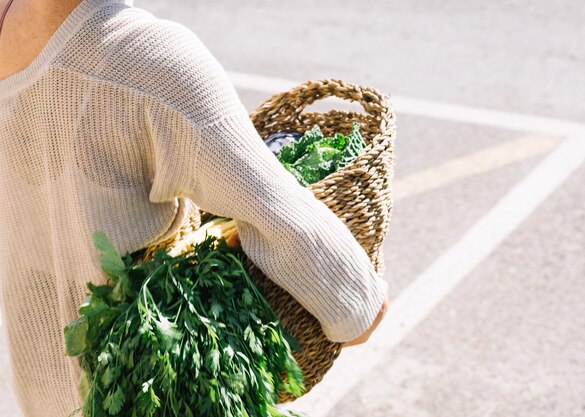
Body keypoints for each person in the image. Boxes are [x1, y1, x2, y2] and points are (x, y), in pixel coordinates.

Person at [0, 0, 388, 416]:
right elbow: (345, 296)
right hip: (159, 396)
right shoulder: (147, 59)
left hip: (43, 398)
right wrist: (363, 301)